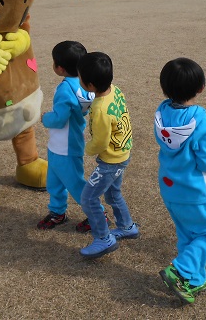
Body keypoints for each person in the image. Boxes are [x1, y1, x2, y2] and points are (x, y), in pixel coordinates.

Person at [154, 58, 206, 305]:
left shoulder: (162, 113)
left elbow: (190, 147)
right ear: (201, 88)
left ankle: (195, 280)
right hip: (194, 192)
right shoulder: (201, 120)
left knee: (188, 234)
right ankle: (179, 269)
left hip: (170, 189)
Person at [77, 52, 138, 258]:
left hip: (110, 161)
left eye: (80, 77)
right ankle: (127, 226)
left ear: (91, 85)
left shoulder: (100, 109)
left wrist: (86, 149)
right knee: (113, 194)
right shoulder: (115, 89)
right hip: (122, 153)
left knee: (88, 198)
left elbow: (100, 142)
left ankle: (103, 238)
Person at [37, 41, 95, 230]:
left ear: (60, 68)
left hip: (65, 147)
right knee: (54, 182)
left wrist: (45, 118)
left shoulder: (65, 89)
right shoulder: (84, 84)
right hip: (60, 145)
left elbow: (59, 119)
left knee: (75, 184)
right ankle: (57, 212)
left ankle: (97, 214)